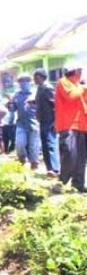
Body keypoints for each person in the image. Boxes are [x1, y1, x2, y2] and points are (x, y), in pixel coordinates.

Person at [55, 61, 87, 193]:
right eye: (79, 71)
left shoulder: (78, 86)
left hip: (82, 125)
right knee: (69, 154)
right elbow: (71, 96)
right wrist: (84, 88)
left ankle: (78, 183)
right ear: (75, 72)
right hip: (68, 124)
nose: (81, 73)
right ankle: (62, 181)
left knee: (81, 157)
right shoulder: (64, 82)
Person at [34, 69, 60, 178]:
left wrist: (56, 121)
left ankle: (55, 169)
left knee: (50, 144)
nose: (34, 79)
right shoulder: (40, 88)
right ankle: (49, 169)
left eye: (36, 77)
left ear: (41, 77)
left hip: (49, 121)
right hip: (43, 120)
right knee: (45, 144)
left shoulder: (47, 88)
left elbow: (55, 104)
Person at [14, 74, 40, 170]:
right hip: (21, 123)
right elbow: (13, 108)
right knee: (19, 143)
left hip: (34, 123)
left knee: (34, 145)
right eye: (21, 81)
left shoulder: (36, 93)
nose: (23, 83)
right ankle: (22, 160)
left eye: (26, 81)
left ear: (30, 82)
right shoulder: (17, 95)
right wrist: (10, 105)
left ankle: (34, 163)